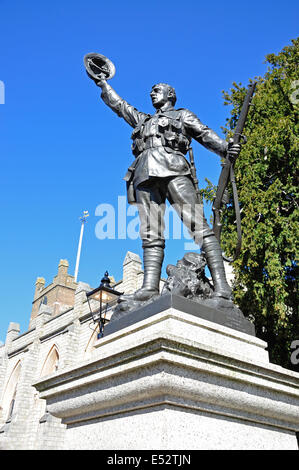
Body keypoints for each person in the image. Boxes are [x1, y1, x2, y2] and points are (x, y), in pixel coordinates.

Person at [94, 78, 241, 301]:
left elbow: (203, 133)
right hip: (144, 173)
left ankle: (222, 287)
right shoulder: (143, 120)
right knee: (151, 232)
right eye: (151, 91)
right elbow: (120, 106)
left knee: (198, 225)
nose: (152, 94)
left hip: (174, 169)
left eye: (157, 90)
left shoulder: (182, 115)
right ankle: (150, 287)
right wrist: (103, 83)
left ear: (170, 95)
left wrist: (224, 148)